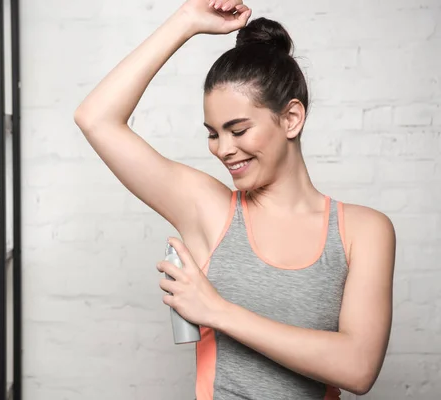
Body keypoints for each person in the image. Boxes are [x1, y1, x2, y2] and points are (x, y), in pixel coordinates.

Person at [74, 0, 396, 399]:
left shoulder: (363, 231)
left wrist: (217, 311)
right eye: (213, 133)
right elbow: (96, 118)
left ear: (291, 119)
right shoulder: (211, 212)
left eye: (238, 130)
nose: (223, 149)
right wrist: (186, 21)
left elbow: (358, 367)